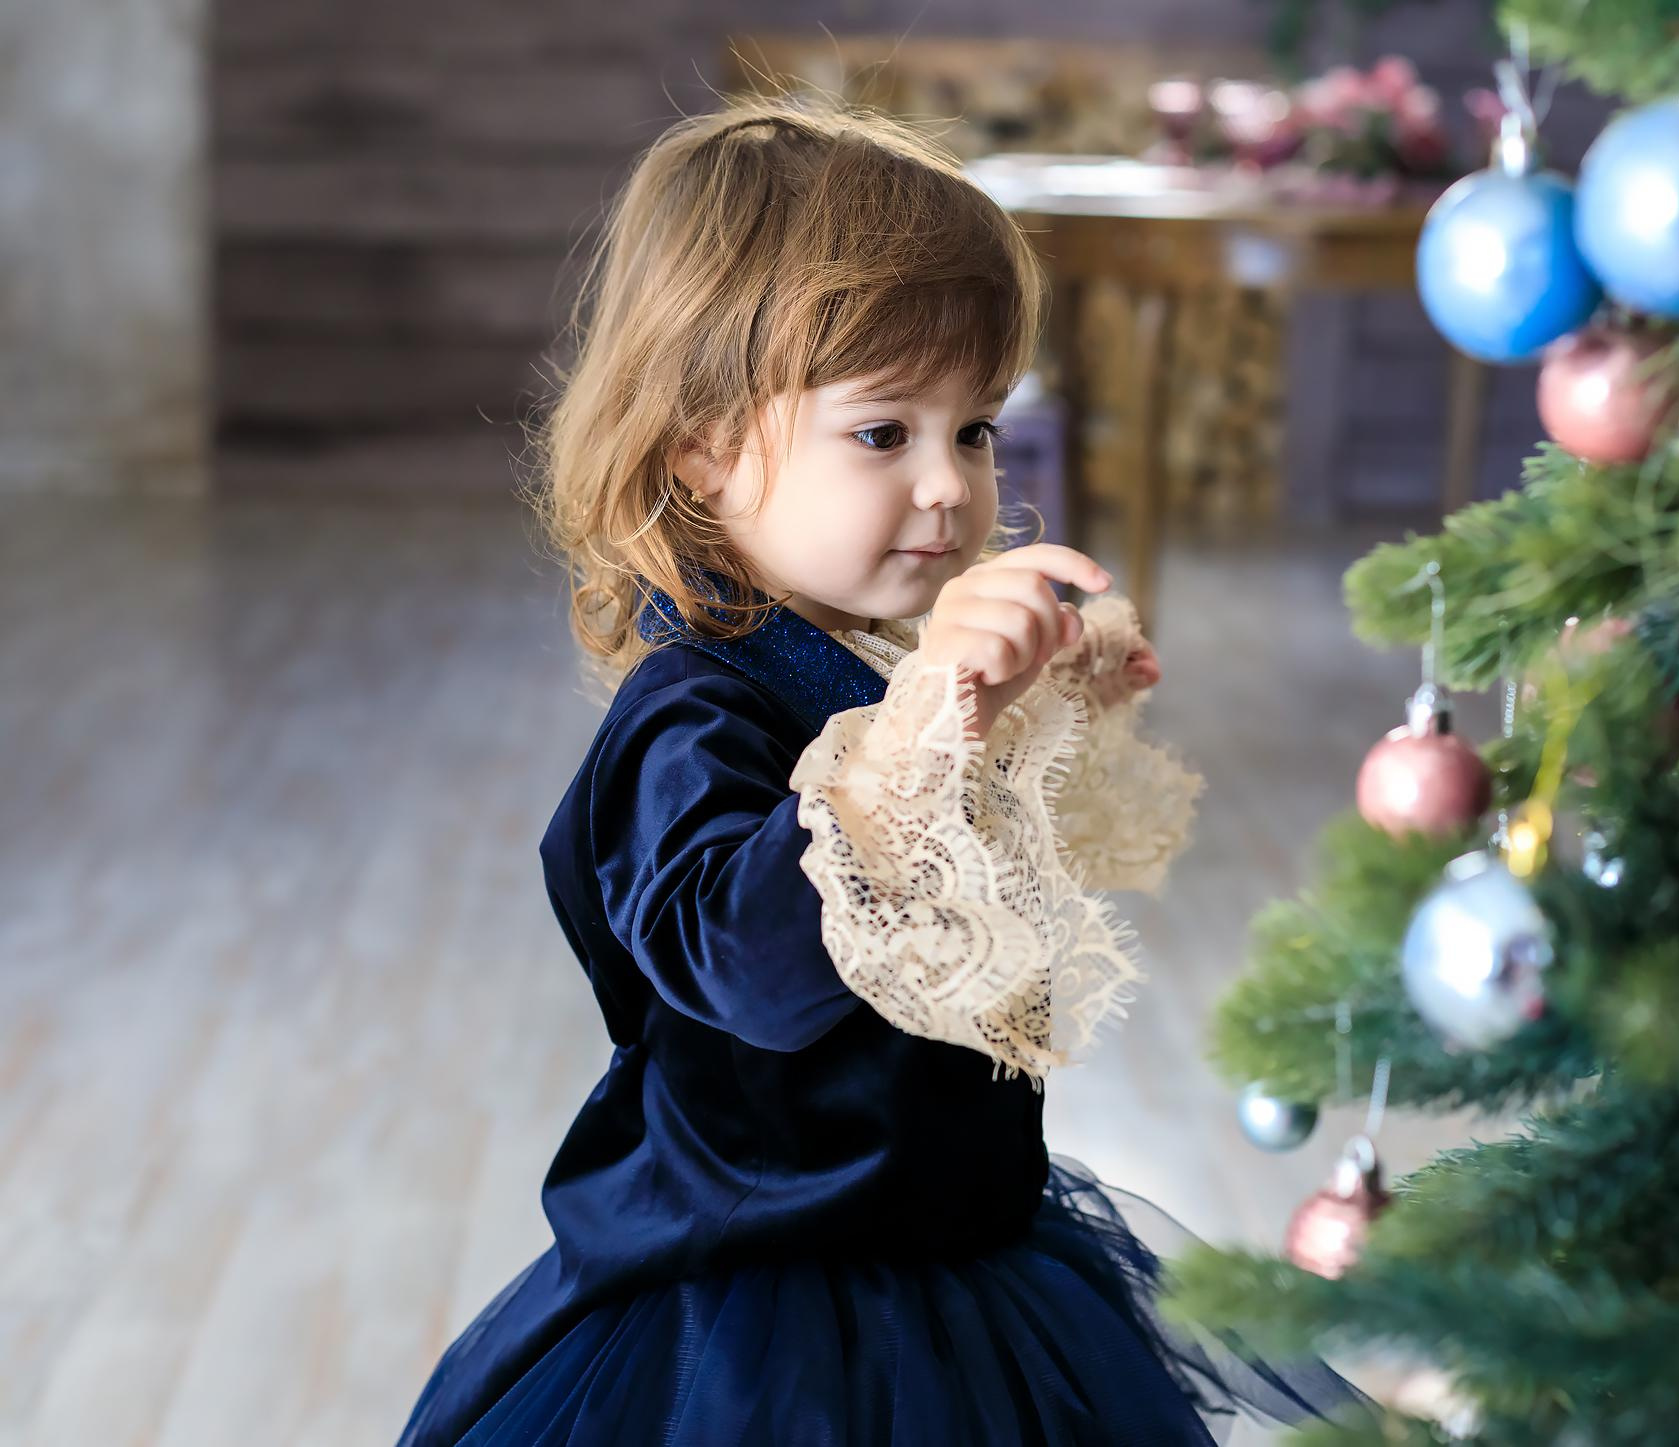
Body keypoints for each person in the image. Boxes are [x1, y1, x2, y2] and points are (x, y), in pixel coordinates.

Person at [394, 94, 1367, 1446]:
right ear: (705, 444)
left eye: (975, 430)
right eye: (882, 433)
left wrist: (1031, 708)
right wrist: (931, 721)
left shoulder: (872, 667)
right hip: (767, 1316)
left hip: (963, 1250)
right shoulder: (692, 714)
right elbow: (755, 968)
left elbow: (960, 891)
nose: (950, 486)